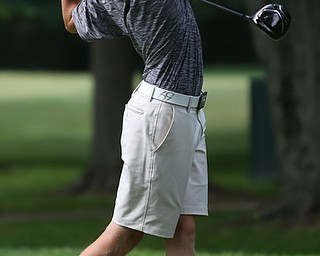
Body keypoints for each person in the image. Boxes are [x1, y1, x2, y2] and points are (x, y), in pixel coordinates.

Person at [61, 0, 208, 255]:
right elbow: (72, 20)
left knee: (183, 228)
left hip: (188, 112)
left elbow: (72, 19)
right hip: (163, 115)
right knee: (128, 231)